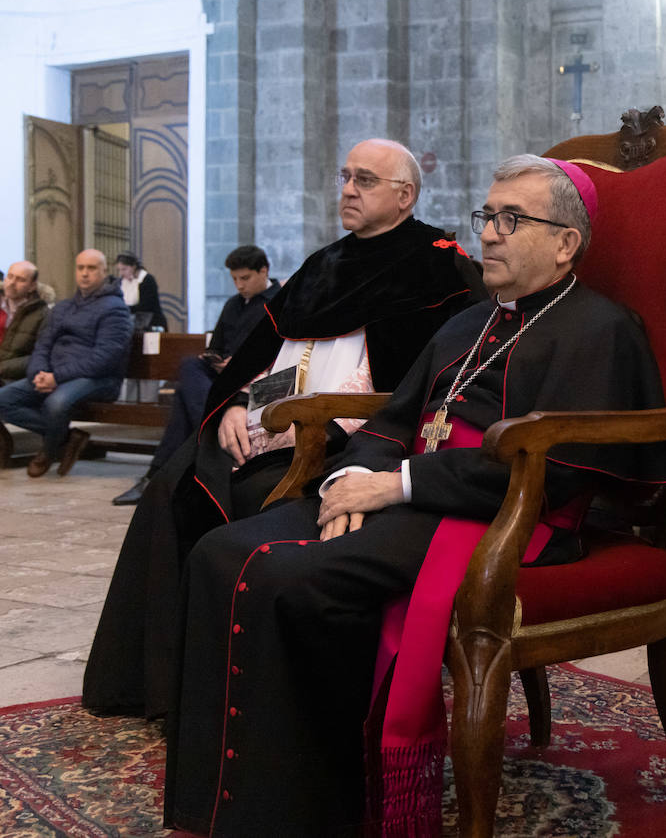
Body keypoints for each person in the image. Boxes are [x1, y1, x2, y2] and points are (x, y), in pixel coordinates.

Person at [161, 155, 666, 836]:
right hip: (414, 497)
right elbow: (395, 420)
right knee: (219, 552)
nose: (489, 233)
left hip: (508, 514)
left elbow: (557, 466)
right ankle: (216, 804)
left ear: (565, 243)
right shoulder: (467, 326)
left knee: (287, 577)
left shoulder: (600, 329)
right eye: (487, 216)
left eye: (511, 219)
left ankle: (311, 809)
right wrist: (351, 478)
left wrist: (395, 484)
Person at [83, 138, 485, 720]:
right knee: (174, 483)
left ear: (405, 196)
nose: (347, 188)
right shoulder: (324, 264)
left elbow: (424, 385)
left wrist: (319, 425)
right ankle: (157, 687)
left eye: (365, 180)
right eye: (345, 176)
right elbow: (265, 357)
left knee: (238, 499)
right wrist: (231, 406)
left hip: (342, 441)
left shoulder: (437, 266)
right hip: (264, 425)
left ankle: (235, 702)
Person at [111, 245, 280, 505]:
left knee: (183, 399)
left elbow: (281, 352)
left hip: (255, 382)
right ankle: (217, 423)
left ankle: (155, 477)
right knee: (191, 365)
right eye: (234, 279)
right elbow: (217, 344)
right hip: (222, 380)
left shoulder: (280, 301)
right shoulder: (232, 305)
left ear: (263, 271)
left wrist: (240, 364)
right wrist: (215, 358)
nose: (239, 285)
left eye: (244, 278)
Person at [0, 249, 133, 477]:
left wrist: (56, 377)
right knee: (3, 399)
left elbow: (103, 359)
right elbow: (43, 346)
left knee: (56, 403)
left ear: (104, 271)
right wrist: (38, 374)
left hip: (98, 379)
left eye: (91, 268)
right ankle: (67, 438)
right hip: (55, 375)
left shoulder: (115, 309)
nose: (84, 273)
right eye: (80, 268)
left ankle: (50, 451)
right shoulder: (64, 307)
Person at [0, 260, 49, 384]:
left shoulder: (43, 315)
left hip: (13, 378)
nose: (11, 283)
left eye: (20, 280)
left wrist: (2, 368)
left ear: (32, 286)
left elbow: (38, 356)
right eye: (10, 277)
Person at [115, 252, 168, 331]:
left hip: (152, 324)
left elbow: (146, 306)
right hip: (130, 323)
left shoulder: (147, 280)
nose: (121, 273)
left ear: (133, 267)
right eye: (119, 270)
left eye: (124, 269)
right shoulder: (121, 282)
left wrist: (123, 309)